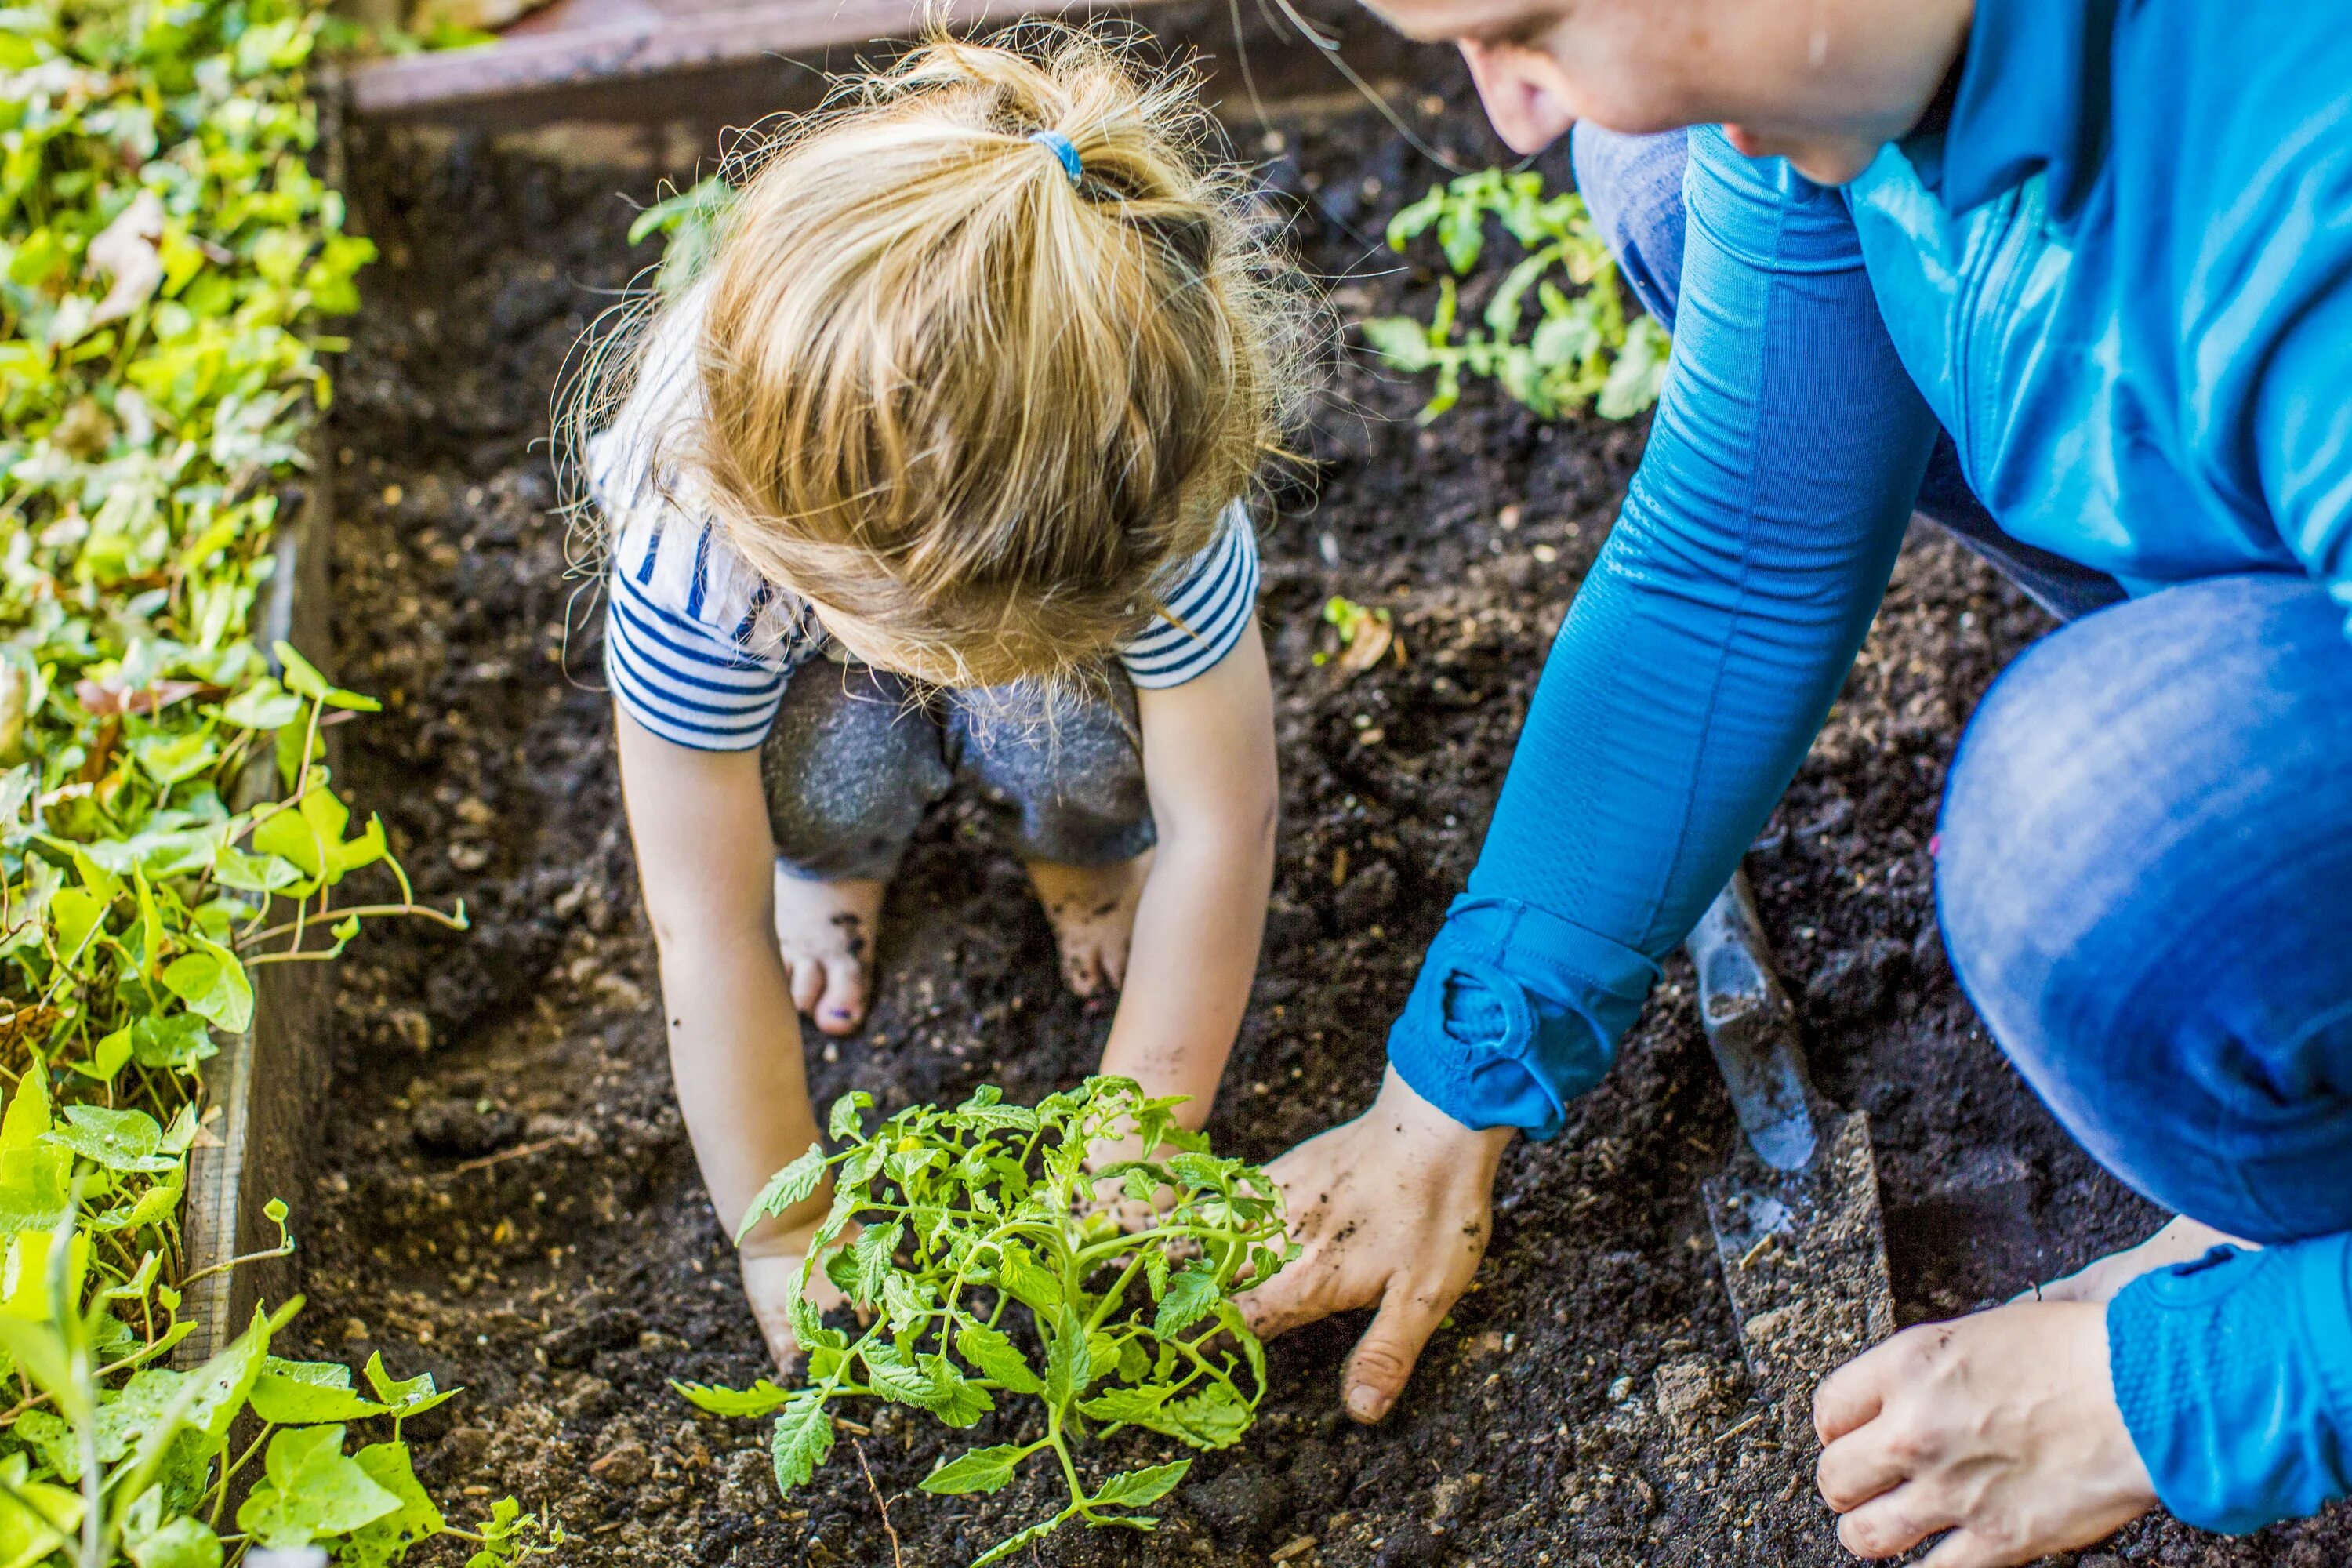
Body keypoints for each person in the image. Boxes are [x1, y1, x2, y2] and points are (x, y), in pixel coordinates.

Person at [1238, 1, 2352, 1563]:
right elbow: (1736, 549)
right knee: (1662, 177)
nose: (1512, 117)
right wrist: (1455, 1076)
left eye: (1528, 27)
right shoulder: (1853, 49)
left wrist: (2218, 1375)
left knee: (2103, 836)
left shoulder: (2311, 200)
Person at [575, 28, 1296, 1367]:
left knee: (1082, 737)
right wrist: (785, 1234)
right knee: (827, 763)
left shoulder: (1152, 482)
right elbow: (701, 921)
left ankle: (1081, 858)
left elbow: (1225, 822)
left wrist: (1134, 1144)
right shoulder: (702, 557)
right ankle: (837, 869)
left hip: (985, 574)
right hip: (805, 619)